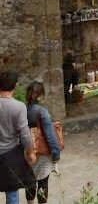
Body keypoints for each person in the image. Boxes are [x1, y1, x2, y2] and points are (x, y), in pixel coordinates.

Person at [0, 72, 37, 204]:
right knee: (11, 192)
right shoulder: (18, 107)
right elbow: (25, 134)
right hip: (10, 156)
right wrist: (30, 152)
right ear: (15, 86)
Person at [24, 83, 59, 204]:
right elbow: (50, 135)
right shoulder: (42, 111)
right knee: (43, 182)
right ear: (40, 96)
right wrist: (55, 153)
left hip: (27, 151)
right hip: (42, 153)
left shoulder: (22, 109)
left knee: (30, 181)